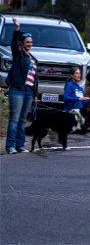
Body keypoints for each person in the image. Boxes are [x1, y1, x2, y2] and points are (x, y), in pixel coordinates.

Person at [5, 17, 38, 154]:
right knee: (14, 119)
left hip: (29, 92)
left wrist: (35, 94)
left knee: (23, 119)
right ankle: (10, 146)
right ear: (22, 43)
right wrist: (17, 29)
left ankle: (20, 145)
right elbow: (13, 43)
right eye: (27, 42)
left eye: (31, 42)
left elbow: (35, 78)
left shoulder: (34, 59)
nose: (29, 44)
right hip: (17, 90)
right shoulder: (18, 55)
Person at [63, 67, 90, 136]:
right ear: (72, 75)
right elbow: (65, 98)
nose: (79, 75)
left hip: (80, 112)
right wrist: (78, 99)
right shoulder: (69, 84)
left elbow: (83, 104)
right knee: (83, 130)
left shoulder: (80, 88)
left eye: (79, 73)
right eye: (76, 73)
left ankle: (78, 123)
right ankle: (70, 126)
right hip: (71, 112)